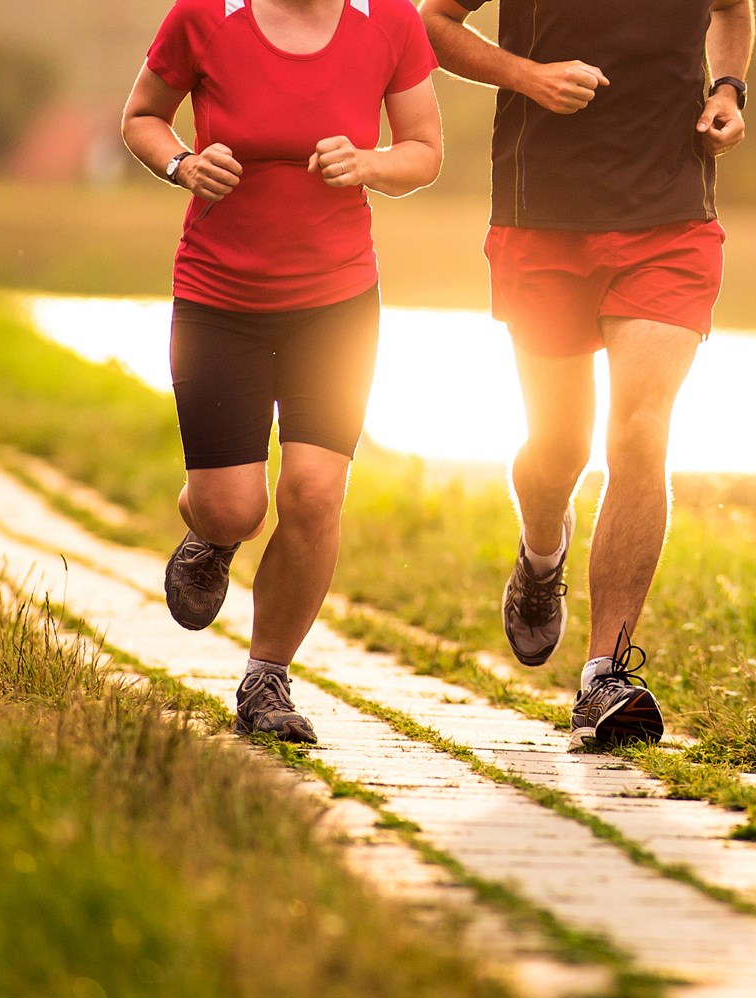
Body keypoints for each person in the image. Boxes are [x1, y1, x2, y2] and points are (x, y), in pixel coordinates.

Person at [420, 0, 753, 749]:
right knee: (558, 450)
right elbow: (431, 23)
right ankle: (543, 549)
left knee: (640, 432)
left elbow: (732, 9)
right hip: (544, 215)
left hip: (670, 214)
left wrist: (728, 91)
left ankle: (606, 672)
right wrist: (526, 76)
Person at [123, 0, 442, 744]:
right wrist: (184, 164)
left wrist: (368, 163)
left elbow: (424, 150)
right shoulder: (204, 15)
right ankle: (213, 537)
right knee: (235, 506)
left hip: (336, 302)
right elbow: (142, 116)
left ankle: (268, 675)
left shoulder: (390, 20)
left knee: (314, 493)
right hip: (218, 299)